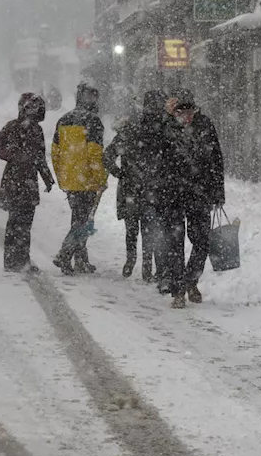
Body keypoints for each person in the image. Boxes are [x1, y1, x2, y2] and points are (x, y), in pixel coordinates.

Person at [160, 89, 224, 308]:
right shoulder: (166, 128)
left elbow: (216, 159)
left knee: (202, 242)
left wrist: (218, 191)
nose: (186, 115)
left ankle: (190, 280)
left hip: (200, 192)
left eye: (190, 111)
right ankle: (178, 290)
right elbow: (157, 160)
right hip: (173, 194)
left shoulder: (205, 126)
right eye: (181, 111)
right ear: (174, 111)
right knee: (175, 245)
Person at [103, 91, 166, 281]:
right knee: (148, 229)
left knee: (132, 229)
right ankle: (147, 268)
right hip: (150, 189)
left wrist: (119, 173)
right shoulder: (161, 130)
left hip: (131, 188)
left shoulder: (129, 129)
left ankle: (131, 261)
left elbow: (107, 156)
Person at [0, 93, 54, 273]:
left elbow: (40, 157)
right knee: (15, 222)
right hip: (15, 180)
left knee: (25, 224)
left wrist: (47, 178)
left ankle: (21, 260)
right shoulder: (13, 127)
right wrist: (12, 155)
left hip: (27, 182)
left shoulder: (36, 130)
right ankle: (12, 261)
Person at [51, 83, 107, 275]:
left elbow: (55, 152)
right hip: (87, 179)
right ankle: (64, 255)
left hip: (70, 178)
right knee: (82, 221)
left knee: (78, 218)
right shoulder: (94, 122)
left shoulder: (63, 120)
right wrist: (100, 178)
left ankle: (81, 259)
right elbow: (94, 153)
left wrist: (61, 176)